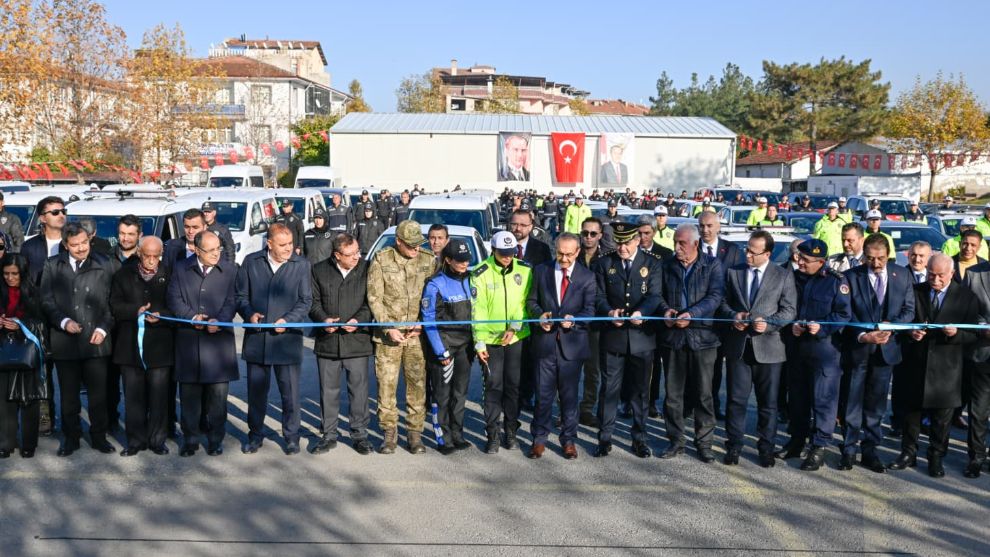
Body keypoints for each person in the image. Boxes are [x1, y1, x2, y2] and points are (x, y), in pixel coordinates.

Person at [890, 254, 979, 478]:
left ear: (951, 274)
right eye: (931, 274)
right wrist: (910, 332)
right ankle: (908, 453)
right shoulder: (915, 290)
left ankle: (936, 457)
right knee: (911, 414)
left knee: (942, 419)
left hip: (947, 368)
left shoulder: (966, 296)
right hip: (916, 363)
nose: (935, 280)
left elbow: (974, 336)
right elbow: (902, 322)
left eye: (940, 276)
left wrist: (957, 333)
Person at [716, 230, 796, 467]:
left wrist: (769, 324)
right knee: (736, 400)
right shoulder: (734, 272)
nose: (747, 254)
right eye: (747, 249)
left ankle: (766, 447)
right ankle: (734, 445)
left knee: (768, 403)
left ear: (767, 254)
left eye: (753, 251)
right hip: (739, 347)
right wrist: (734, 316)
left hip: (769, 349)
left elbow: (789, 310)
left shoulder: (782, 275)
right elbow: (722, 302)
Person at [41, 222, 119, 456]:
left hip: (96, 342)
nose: (81, 248)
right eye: (75, 245)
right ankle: (71, 438)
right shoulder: (52, 265)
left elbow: (112, 302)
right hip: (65, 342)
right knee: (69, 396)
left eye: (84, 243)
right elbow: (46, 300)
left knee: (98, 396)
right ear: (66, 245)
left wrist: (104, 329)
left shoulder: (104, 265)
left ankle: (99, 437)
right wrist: (63, 322)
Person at [840, 233, 915, 473]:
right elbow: (845, 314)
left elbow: (909, 310)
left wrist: (889, 328)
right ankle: (849, 449)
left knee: (876, 405)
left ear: (888, 255)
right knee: (852, 402)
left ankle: (870, 449)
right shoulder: (851, 277)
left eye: (880, 258)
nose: (875, 264)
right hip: (858, 349)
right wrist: (863, 335)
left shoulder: (902, 275)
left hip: (886, 350)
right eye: (870, 259)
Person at [236, 224, 313, 456]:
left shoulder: (301, 265)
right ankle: (255, 435)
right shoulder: (251, 262)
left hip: (286, 341)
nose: (288, 249)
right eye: (282, 245)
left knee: (290, 393)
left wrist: (288, 320)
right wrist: (249, 313)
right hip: (258, 340)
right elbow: (241, 296)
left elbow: (305, 300)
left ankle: (291, 437)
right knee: (256, 393)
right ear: (269, 243)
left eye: (290, 243)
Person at [776, 239, 852, 471]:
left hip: (824, 351)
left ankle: (818, 446)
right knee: (797, 399)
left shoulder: (835, 282)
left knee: (823, 401)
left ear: (821, 262)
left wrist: (824, 327)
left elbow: (843, 314)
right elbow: (785, 308)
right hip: (797, 348)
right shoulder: (792, 278)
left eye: (806, 261)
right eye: (799, 258)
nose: (800, 263)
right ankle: (796, 440)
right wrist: (792, 326)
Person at [591, 222, 662, 458]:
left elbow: (654, 295)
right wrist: (610, 312)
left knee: (641, 391)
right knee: (609, 389)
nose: (622, 247)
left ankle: (639, 438)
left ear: (637, 241)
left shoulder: (652, 262)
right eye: (619, 242)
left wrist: (641, 312)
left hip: (642, 338)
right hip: (614, 336)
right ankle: (604, 438)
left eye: (627, 242)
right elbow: (598, 296)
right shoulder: (604, 263)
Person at [656, 224, 725, 462]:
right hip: (673, 339)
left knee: (703, 395)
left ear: (695, 244)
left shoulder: (712, 265)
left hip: (703, 339)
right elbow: (658, 295)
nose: (676, 247)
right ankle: (676, 441)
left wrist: (691, 314)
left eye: (681, 243)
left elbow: (715, 296)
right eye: (675, 242)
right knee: (673, 395)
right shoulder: (667, 265)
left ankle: (704, 443)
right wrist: (666, 311)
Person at [167, 231, 238, 457]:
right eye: (210, 250)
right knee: (189, 398)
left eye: (218, 249)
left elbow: (233, 300)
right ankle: (190, 440)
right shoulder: (180, 268)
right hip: (189, 343)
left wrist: (221, 319)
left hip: (218, 346)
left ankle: (216, 440)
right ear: (197, 250)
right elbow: (173, 298)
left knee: (218, 399)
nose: (216, 254)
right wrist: (191, 317)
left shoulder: (229, 270)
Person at [366, 220, 435, 454]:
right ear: (398, 242)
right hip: (389, 337)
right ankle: (389, 433)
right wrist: (388, 327)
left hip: (417, 337)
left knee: (417, 385)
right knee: (387, 385)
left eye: (418, 244)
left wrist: (423, 324)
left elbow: (434, 298)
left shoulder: (428, 259)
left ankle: (415, 434)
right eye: (410, 245)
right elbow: (374, 297)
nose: (416, 249)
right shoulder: (381, 260)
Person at [525, 233, 596, 459]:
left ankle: (568, 440)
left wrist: (574, 320)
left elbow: (591, 310)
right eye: (560, 253)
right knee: (543, 396)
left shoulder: (587, 277)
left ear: (577, 252)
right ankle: (538, 439)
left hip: (571, 347)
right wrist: (540, 316)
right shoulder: (541, 270)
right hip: (545, 345)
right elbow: (531, 302)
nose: (563, 259)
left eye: (568, 254)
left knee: (568, 397)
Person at [310, 233, 374, 455]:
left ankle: (360, 435)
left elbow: (371, 302)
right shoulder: (318, 270)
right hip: (328, 342)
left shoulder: (367, 268)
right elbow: (313, 303)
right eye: (351, 254)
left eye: (358, 251)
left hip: (357, 341)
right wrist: (323, 320)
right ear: (337, 255)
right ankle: (328, 435)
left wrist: (359, 320)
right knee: (328, 392)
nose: (357, 257)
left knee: (359, 391)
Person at [109, 236, 173, 456]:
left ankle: (157, 440)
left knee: (159, 396)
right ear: (139, 253)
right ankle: (135, 441)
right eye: (147, 256)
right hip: (130, 347)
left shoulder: (170, 274)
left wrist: (162, 315)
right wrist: (135, 311)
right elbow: (115, 306)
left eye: (157, 256)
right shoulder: (123, 275)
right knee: (134, 397)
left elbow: (177, 305)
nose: (152, 261)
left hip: (160, 347)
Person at [472, 231, 532, 454]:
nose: (508, 257)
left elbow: (524, 302)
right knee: (493, 387)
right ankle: (493, 434)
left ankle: (511, 431)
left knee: (513, 387)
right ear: (493, 251)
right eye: (502, 253)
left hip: (515, 338)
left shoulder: (525, 270)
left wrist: (514, 327)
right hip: (490, 340)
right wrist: (479, 342)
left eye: (511, 253)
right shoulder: (481, 273)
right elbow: (478, 311)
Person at [421, 239, 475, 455]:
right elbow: (428, 319)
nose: (464, 264)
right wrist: (440, 350)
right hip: (444, 349)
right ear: (448, 260)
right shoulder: (435, 284)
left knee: (460, 393)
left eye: (466, 260)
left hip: (465, 347)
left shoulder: (471, 280)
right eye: (459, 260)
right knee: (442, 395)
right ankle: (443, 438)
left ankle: (457, 433)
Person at [0, 253, 47, 458]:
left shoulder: (34, 293)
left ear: (23, 273)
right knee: (3, 400)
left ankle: (29, 443)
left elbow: (42, 323)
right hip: (3, 349)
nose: (10, 278)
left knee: (29, 398)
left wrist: (20, 325)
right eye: (6, 274)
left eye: (14, 274)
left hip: (27, 350)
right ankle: (5, 443)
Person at [698, 211, 743, 420]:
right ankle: (697, 403)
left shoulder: (732, 251)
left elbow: (739, 283)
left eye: (709, 226)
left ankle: (716, 404)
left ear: (718, 227)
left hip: (725, 318)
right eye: (701, 226)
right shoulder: (693, 247)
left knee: (721, 367)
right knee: (702, 367)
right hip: (700, 317)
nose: (705, 230)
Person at [962, 257, 990, 477]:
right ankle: (976, 457)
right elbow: (965, 309)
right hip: (981, 353)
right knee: (978, 411)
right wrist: (982, 327)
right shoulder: (973, 274)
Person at [577, 217, 606, 427]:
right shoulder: (572, 254)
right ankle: (566, 410)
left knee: (592, 370)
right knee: (568, 369)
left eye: (593, 233)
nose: (588, 237)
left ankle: (587, 409)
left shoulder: (606, 258)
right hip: (573, 320)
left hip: (595, 323)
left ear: (600, 236)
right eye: (585, 233)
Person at [163, 209, 207, 274]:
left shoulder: (213, 247)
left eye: (195, 227)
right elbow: (166, 274)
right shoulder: (171, 247)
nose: (190, 231)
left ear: (204, 227)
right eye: (187, 227)